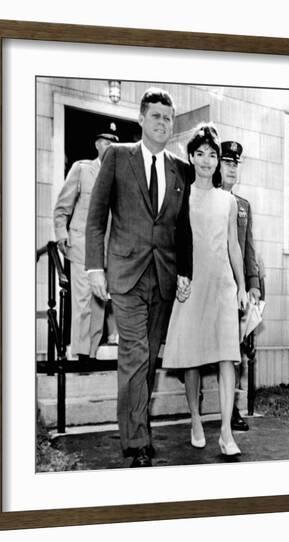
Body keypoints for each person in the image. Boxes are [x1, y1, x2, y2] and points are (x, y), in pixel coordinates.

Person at [85, 88, 193, 467]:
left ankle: (138, 425)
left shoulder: (181, 169)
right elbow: (96, 217)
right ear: (142, 119)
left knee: (148, 361)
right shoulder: (117, 157)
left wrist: (184, 271)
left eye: (168, 117)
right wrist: (94, 267)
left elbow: (182, 228)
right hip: (125, 273)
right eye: (156, 116)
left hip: (162, 278)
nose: (163, 123)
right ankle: (135, 442)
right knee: (135, 355)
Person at [162, 123, 248, 456]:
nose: (207, 161)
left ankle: (226, 432)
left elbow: (233, 245)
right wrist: (179, 277)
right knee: (193, 359)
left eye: (213, 155)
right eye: (200, 154)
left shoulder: (227, 200)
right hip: (193, 286)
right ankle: (196, 419)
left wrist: (241, 286)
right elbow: (172, 242)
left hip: (223, 286)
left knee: (228, 356)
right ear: (191, 157)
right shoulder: (181, 195)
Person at [54, 125, 119, 359]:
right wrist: (61, 233)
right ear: (97, 144)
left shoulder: (117, 176)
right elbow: (62, 206)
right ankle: (80, 353)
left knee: (98, 302)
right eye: (105, 141)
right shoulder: (81, 170)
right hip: (81, 243)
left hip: (104, 249)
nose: (109, 146)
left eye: (113, 143)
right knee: (81, 300)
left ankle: (91, 353)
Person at [221, 140, 261, 432]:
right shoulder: (202, 198)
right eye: (227, 162)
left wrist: (253, 285)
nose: (232, 168)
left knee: (236, 352)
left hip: (235, 292)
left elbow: (248, 249)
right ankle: (197, 407)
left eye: (235, 163)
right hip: (209, 288)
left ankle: (233, 409)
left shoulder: (243, 205)